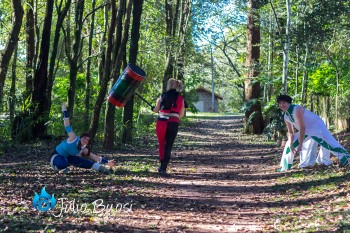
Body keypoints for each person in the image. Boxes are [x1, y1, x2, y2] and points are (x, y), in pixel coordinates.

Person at [277, 94, 350, 171]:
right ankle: (285, 166)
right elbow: (291, 132)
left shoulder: (297, 109)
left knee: (330, 144)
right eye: (280, 103)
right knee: (289, 144)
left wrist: (300, 144)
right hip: (307, 130)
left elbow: (302, 127)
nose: (282, 105)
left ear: (289, 102)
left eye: (283, 102)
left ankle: (347, 159)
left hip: (317, 127)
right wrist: (291, 143)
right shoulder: (286, 116)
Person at [49, 103, 116, 173]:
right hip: (56, 155)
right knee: (62, 163)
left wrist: (107, 162)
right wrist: (64, 111)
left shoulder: (84, 149)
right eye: (84, 138)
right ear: (80, 138)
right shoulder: (73, 138)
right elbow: (67, 125)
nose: (85, 140)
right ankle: (60, 168)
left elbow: (95, 157)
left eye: (87, 140)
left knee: (83, 161)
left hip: (68, 158)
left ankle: (100, 168)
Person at [152, 78, 186, 176]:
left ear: (168, 85)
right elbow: (181, 114)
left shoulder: (162, 97)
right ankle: (164, 167)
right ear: (176, 86)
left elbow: (156, 110)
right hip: (174, 123)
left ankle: (161, 165)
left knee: (162, 144)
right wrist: (174, 117)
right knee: (169, 145)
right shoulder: (181, 99)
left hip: (162, 122)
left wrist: (153, 108)